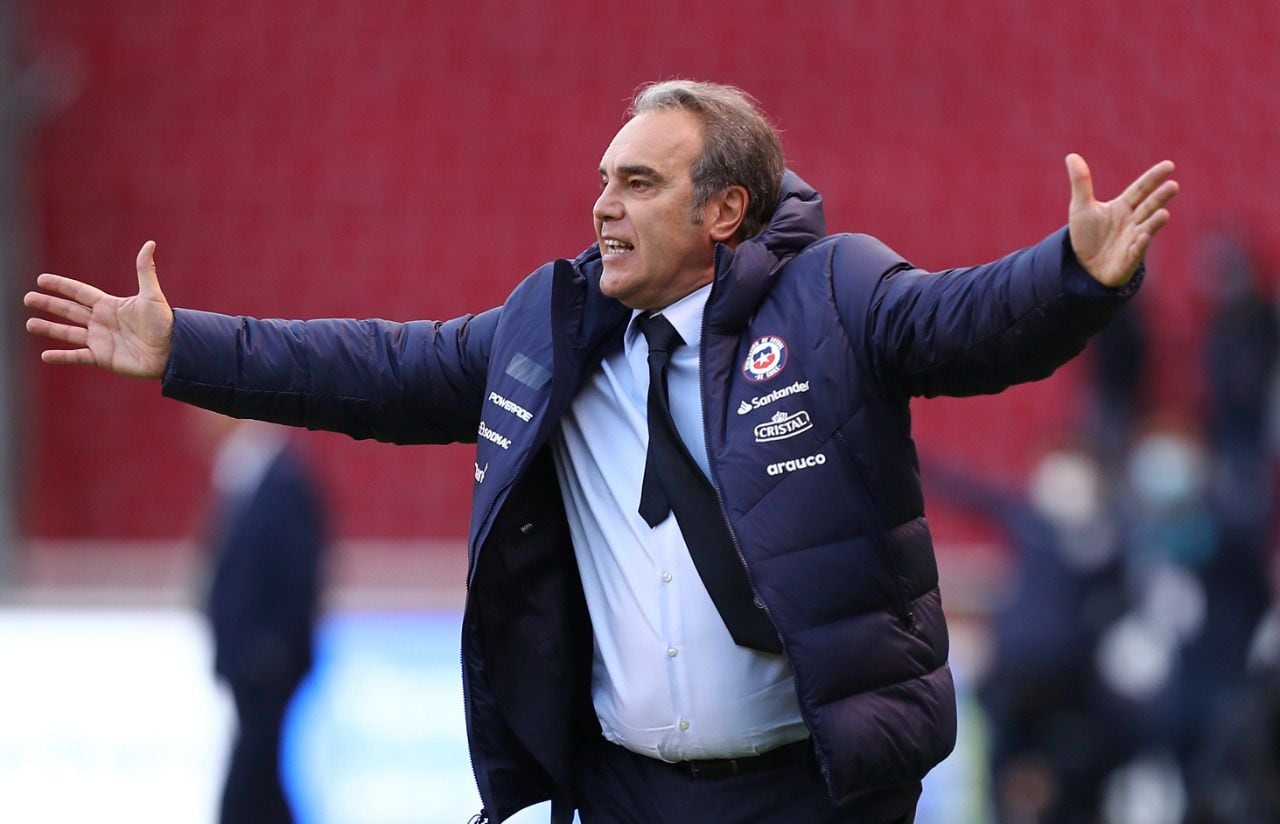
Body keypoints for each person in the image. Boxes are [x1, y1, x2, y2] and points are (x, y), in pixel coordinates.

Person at [24, 80, 1178, 824]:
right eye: (599, 182)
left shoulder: (837, 292)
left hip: (811, 794)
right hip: (624, 792)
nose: (602, 208)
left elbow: (965, 324)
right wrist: (186, 347)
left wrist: (1070, 277)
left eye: (636, 183)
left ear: (722, 210)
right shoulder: (551, 326)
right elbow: (371, 367)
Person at [191, 410, 327, 824]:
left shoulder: (281, 479)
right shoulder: (244, 473)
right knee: (261, 786)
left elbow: (298, 573)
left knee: (248, 787)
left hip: (266, 672)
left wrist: (268, 653)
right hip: (248, 670)